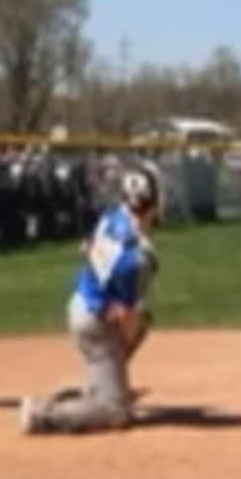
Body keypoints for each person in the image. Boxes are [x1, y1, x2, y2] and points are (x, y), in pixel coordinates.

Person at [21, 164, 162, 435]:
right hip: (94, 324)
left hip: (79, 304)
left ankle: (103, 385)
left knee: (142, 319)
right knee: (116, 412)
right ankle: (42, 415)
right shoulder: (141, 258)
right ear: (153, 204)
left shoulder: (111, 218)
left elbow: (85, 248)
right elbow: (126, 318)